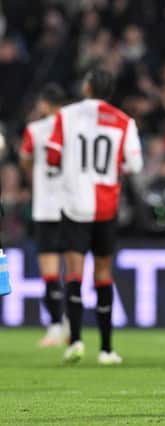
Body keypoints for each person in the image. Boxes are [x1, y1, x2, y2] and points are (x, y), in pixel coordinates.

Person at [46, 68, 144, 364]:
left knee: (74, 272)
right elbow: (135, 166)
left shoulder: (66, 115)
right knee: (102, 273)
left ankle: (75, 341)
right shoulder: (124, 121)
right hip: (105, 205)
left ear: (87, 86)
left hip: (74, 202)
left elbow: (52, 157)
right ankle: (106, 349)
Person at [19, 84, 68, 347]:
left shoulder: (35, 130)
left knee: (50, 272)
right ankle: (74, 328)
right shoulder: (74, 128)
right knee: (74, 270)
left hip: (46, 207)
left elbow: (25, 161)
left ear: (44, 105)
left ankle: (56, 326)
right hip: (73, 206)